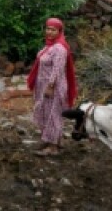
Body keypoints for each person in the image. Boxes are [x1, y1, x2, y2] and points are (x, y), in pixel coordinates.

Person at [28, 17, 78, 156]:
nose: (49, 32)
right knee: (45, 112)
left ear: (59, 31)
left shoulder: (60, 48)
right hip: (44, 85)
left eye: (53, 30)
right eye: (48, 28)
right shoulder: (50, 46)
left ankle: (53, 147)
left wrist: (50, 86)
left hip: (53, 87)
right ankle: (49, 140)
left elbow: (57, 69)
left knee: (53, 115)